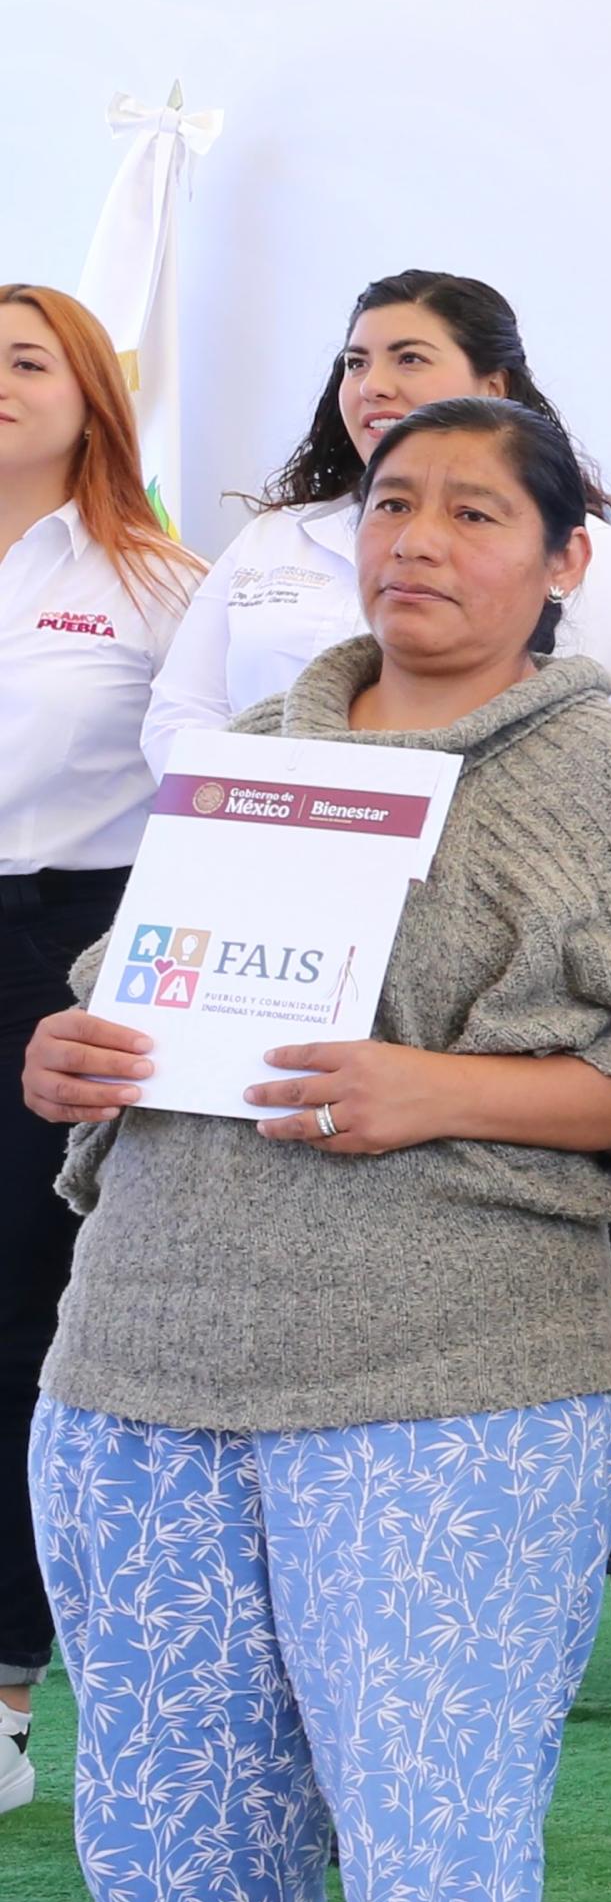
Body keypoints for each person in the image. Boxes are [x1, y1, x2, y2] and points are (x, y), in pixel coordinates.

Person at [20, 395, 611, 1902]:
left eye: (473, 512)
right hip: (140, 1367)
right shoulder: (254, 752)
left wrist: (440, 1087)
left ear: (566, 559)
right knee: (173, 1849)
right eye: (391, 503)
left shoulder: (607, 776)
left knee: (430, 1853)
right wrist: (68, 1051)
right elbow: (131, 999)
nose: (418, 539)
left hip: (446, 1385)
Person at [0, 282, 200, 1817]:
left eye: (25, 359)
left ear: (92, 397)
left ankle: (7, 1692)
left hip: (63, 947)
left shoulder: (157, 583)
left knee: (26, 1311)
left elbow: (208, 797)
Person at [140, 270, 611, 763]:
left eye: (409, 359)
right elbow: (181, 712)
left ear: (493, 386)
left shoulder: (578, 549)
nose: (372, 386)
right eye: (356, 363)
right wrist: (266, 802)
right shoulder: (274, 535)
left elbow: (571, 736)